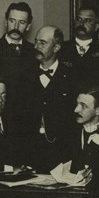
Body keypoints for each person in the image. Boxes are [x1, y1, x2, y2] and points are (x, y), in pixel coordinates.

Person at [18, 25, 76, 171]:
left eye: (43, 43)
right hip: (29, 156)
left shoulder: (72, 77)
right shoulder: (23, 74)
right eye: (36, 41)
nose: (36, 46)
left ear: (56, 48)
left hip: (62, 156)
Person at [0, 2, 36, 109]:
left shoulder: (34, 51)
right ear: (6, 22)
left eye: (22, 22)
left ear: (28, 26)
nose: (16, 27)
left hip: (27, 114)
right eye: (12, 21)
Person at [59, 7, 99, 75]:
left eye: (87, 20)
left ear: (96, 26)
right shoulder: (61, 48)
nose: (81, 23)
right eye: (79, 19)